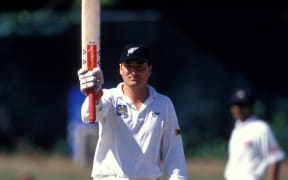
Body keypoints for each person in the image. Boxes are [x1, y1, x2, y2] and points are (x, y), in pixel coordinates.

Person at [77, 44, 187, 180]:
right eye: (128, 66)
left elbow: (174, 152)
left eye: (139, 67)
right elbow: (87, 116)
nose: (133, 72)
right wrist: (94, 94)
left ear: (149, 70)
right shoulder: (108, 98)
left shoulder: (163, 104)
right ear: (120, 69)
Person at [224, 88, 286, 180]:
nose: (237, 109)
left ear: (250, 106)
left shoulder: (261, 128)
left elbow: (275, 158)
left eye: (241, 105)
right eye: (234, 105)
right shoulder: (236, 130)